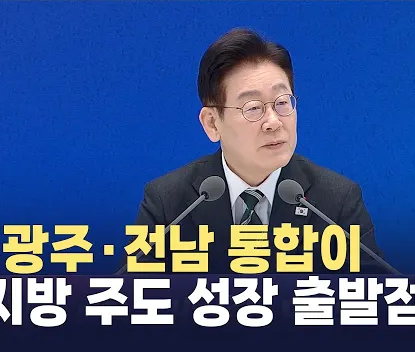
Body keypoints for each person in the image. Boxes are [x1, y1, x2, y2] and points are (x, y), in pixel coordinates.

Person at [120, 27, 393, 275]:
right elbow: (133, 298)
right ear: (212, 123)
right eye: (253, 108)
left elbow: (373, 297)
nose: (273, 122)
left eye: (282, 103)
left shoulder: (336, 202)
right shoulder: (169, 203)